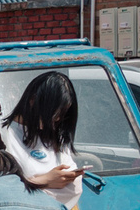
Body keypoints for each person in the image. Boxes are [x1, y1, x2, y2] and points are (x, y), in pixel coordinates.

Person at [6, 73, 87, 201]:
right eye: (56, 113)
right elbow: (0, 192)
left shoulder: (55, 137)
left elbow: (74, 188)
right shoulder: (1, 135)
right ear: (33, 101)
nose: (58, 119)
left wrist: (32, 183)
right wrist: (44, 181)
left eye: (63, 114)